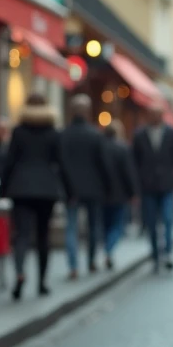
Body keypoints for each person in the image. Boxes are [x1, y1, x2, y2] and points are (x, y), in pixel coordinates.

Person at [0, 92, 66, 300]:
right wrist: (68, 190)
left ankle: (20, 273)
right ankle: (42, 282)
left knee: (21, 234)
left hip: (21, 187)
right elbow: (61, 163)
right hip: (46, 189)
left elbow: (9, 162)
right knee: (43, 236)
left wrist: (2, 188)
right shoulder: (54, 133)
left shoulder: (18, 132)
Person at [131, 106, 173, 271]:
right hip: (147, 188)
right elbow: (133, 162)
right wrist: (137, 184)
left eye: (156, 114)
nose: (154, 117)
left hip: (167, 186)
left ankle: (168, 253)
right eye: (151, 114)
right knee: (151, 223)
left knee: (168, 219)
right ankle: (155, 255)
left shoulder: (172, 133)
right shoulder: (139, 135)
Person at [59, 94, 109, 276]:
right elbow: (103, 163)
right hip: (93, 188)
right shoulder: (95, 134)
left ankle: (73, 266)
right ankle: (91, 261)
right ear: (87, 112)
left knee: (71, 227)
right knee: (93, 227)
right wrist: (107, 186)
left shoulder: (64, 134)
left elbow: (61, 163)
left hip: (70, 188)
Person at [99, 121, 140, 267]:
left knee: (106, 224)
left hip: (102, 194)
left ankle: (107, 247)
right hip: (120, 194)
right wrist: (133, 192)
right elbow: (129, 173)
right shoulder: (123, 148)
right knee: (118, 226)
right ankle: (109, 248)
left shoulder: (100, 148)